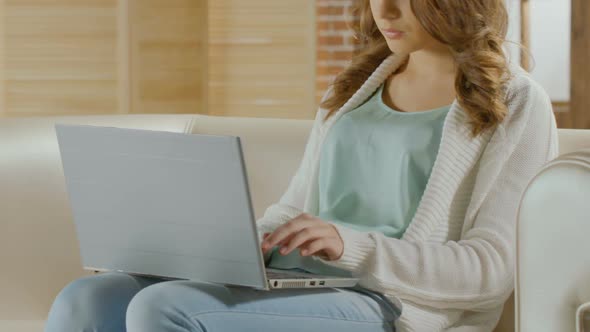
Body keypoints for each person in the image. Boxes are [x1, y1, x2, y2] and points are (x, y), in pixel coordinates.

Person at [44, 0, 558, 331]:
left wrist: (349, 245)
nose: (386, 9)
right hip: (292, 279)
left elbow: (491, 270)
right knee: (89, 297)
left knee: (163, 309)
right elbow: (294, 210)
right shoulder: (352, 89)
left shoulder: (512, 102)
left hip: (390, 302)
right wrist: (210, 246)